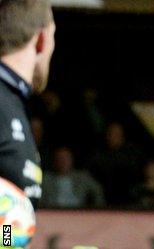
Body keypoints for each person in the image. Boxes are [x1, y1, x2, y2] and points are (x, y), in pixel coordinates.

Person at [0, 0, 56, 208]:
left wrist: (7, 241)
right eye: (54, 37)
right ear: (41, 39)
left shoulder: (12, 98)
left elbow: (7, 228)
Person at [40, 147, 105, 208]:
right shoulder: (46, 179)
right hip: (52, 213)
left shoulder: (82, 177)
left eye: (66, 158)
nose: (63, 162)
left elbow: (97, 189)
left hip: (77, 213)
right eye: (60, 158)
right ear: (55, 161)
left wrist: (97, 208)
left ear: (71, 160)